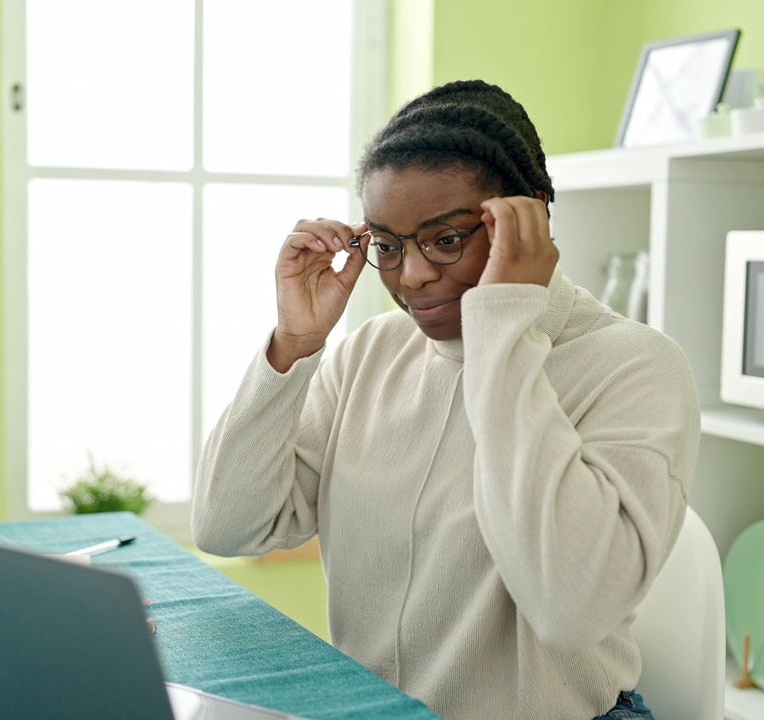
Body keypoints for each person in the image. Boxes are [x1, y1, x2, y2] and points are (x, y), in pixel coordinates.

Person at [191, 79, 700, 720]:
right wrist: (294, 345)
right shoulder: (368, 354)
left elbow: (568, 610)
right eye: (387, 244)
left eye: (448, 238)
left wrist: (502, 328)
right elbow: (227, 526)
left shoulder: (632, 366)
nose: (413, 274)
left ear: (533, 214)